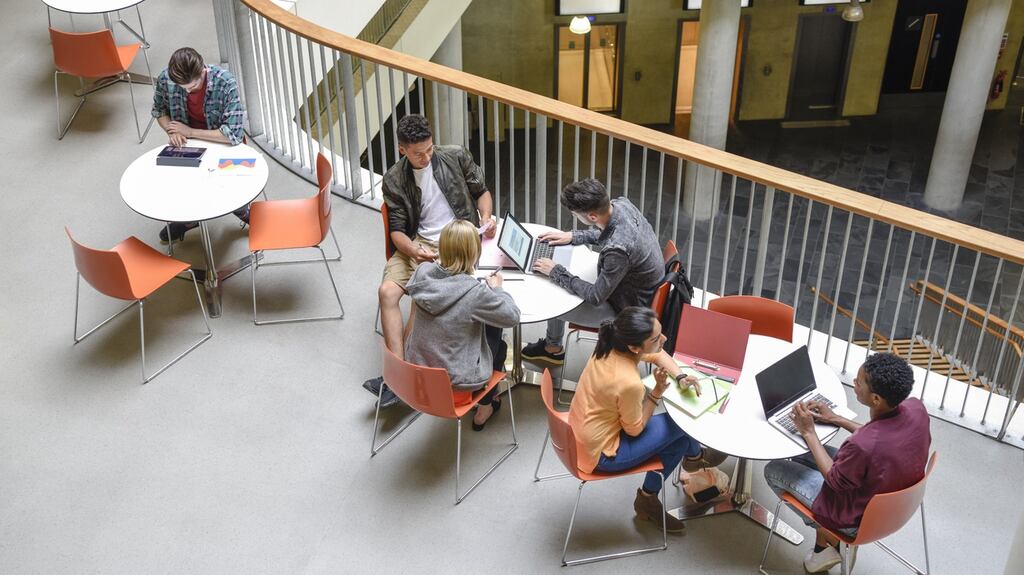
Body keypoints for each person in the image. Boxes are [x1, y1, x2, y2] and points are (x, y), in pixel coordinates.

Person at [363, 114, 496, 408]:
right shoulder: (394, 179)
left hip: (455, 239)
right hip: (417, 243)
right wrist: (413, 251)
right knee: (387, 292)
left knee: (420, 298)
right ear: (402, 150)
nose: (425, 157)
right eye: (417, 153)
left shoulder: (456, 156)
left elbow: (482, 192)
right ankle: (398, 374)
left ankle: (400, 379)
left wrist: (485, 217)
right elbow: (397, 231)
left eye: (429, 149)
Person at [763, 352, 931, 573]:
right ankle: (824, 548)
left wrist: (808, 431)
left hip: (856, 518)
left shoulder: (863, 445)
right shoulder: (915, 409)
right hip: (895, 504)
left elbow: (835, 480)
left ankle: (832, 537)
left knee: (774, 468)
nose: (854, 382)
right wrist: (835, 418)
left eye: (859, 382)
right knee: (797, 452)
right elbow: (882, 437)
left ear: (876, 399)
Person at [569, 306, 707, 533]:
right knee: (684, 422)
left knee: (681, 442)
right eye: (656, 338)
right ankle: (696, 457)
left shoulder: (609, 344)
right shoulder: (628, 382)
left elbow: (657, 353)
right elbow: (634, 430)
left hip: (579, 433)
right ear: (634, 347)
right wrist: (656, 393)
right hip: (601, 454)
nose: (665, 338)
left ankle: (690, 460)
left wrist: (680, 376)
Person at [521, 179, 663, 365]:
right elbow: (609, 232)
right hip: (639, 291)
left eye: (575, 214)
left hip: (627, 308)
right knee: (564, 283)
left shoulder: (618, 251)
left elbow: (596, 296)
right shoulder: (622, 205)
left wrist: (556, 271)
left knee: (554, 302)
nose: (575, 217)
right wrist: (573, 236)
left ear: (592, 216)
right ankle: (552, 346)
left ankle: (552, 348)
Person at [404, 220, 519, 430]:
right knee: (499, 340)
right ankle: (485, 407)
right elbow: (512, 316)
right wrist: (498, 289)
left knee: (483, 323)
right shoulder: (475, 293)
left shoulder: (422, 273)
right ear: (474, 253)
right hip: (454, 389)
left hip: (416, 377)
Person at [150, 47, 248, 244]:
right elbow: (159, 110)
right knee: (182, 185)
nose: (187, 90)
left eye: (192, 86)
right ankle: (189, 221)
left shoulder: (225, 82)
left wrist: (189, 131)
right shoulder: (165, 78)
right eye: (182, 87)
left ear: (203, 71)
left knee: (229, 185)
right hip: (188, 145)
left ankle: (241, 209)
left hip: (224, 143)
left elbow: (233, 135)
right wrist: (172, 130)